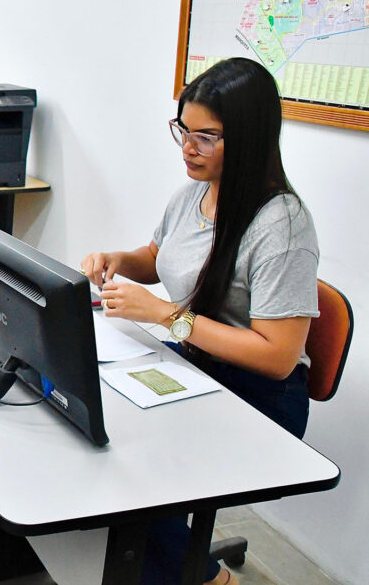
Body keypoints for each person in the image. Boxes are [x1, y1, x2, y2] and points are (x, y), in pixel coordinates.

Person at [80, 58, 319, 585]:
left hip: (258, 397)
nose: (188, 148)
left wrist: (166, 315)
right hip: (197, 368)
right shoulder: (195, 193)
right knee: (98, 430)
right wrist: (118, 260)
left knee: (130, 472)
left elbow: (277, 358)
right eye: (183, 131)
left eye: (206, 137)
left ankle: (210, 579)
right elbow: (157, 257)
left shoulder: (283, 226)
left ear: (250, 138)